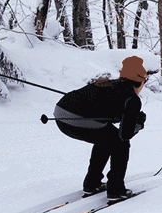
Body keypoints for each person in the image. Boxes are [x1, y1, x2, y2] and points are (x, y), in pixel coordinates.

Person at [54, 56, 148, 200]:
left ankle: (92, 184)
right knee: (120, 144)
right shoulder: (132, 98)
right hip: (76, 118)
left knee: (106, 138)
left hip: (60, 114)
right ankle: (115, 190)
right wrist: (138, 123)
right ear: (140, 81)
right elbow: (125, 135)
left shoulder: (108, 84)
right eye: (144, 81)